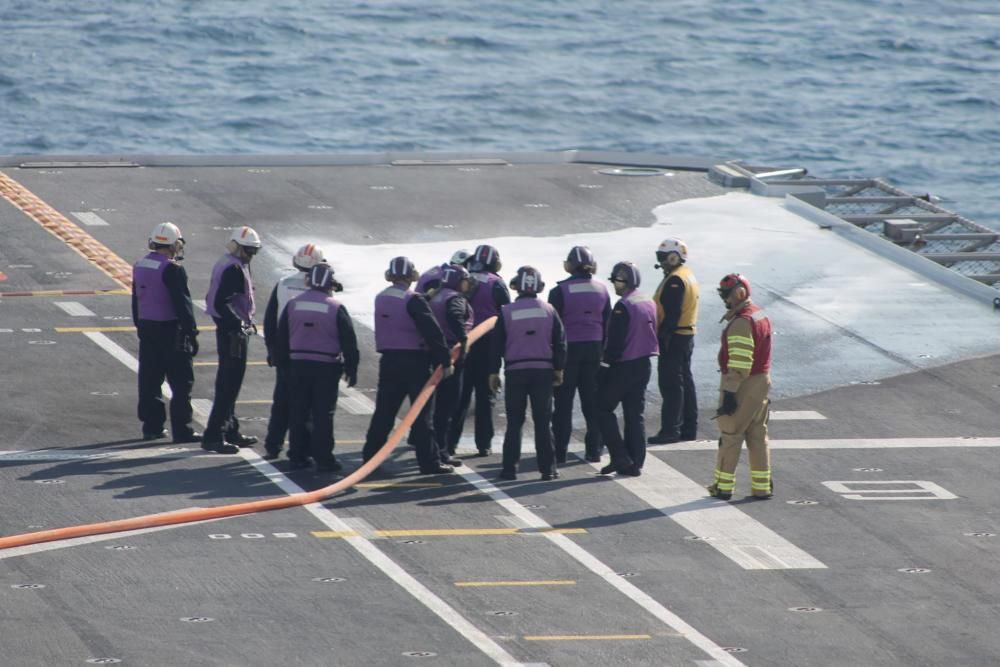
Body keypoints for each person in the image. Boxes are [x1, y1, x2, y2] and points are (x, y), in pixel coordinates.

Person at [362, 257, 456, 475]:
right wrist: (445, 360)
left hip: (389, 362)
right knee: (422, 416)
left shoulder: (381, 297)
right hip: (416, 362)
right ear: (412, 275)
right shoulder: (414, 300)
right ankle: (429, 462)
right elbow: (433, 332)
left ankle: (370, 458)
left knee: (384, 413)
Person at [275, 263, 359, 473]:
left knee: (298, 411)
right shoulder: (336, 307)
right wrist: (352, 369)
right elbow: (349, 342)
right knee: (323, 414)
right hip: (326, 367)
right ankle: (324, 459)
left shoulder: (293, 304)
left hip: (297, 365)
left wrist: (283, 365)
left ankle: (297, 456)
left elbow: (281, 338)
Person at [489, 266, 566, 481]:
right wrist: (559, 368)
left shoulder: (506, 311)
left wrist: (493, 372)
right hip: (543, 372)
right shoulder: (550, 310)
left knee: (515, 422)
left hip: (515, 371)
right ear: (539, 287)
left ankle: (509, 469)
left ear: (516, 286)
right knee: (543, 422)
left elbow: (496, 345)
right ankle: (548, 470)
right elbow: (560, 342)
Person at [131, 222, 201, 443]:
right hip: (171, 330)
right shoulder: (173, 269)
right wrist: (192, 333)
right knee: (181, 382)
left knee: (150, 379)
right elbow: (183, 304)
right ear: (175, 244)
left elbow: (136, 300)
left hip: (147, 327)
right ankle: (183, 429)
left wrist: (140, 326)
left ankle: (151, 426)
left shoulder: (140, 265)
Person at [706, 274, 773, 500]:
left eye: (726, 294)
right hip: (762, 382)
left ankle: (723, 486)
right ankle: (761, 486)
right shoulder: (759, 313)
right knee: (757, 434)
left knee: (731, 434)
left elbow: (740, 365)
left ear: (739, 293)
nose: (725, 299)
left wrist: (730, 393)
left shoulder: (741, 323)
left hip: (744, 384)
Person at [262, 243, 327, 460]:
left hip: (285, 349)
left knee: (282, 399)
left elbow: (270, 319)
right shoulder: (319, 288)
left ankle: (273, 444)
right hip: (311, 352)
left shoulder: (283, 284)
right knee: (307, 404)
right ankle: (303, 450)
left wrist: (272, 349)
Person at [201, 225, 262, 454]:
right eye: (248, 250)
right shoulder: (234, 268)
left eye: (253, 251)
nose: (251, 255)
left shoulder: (229, 263)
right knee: (228, 384)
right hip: (232, 333)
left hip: (230, 329)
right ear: (237, 247)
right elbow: (220, 302)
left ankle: (230, 429)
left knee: (230, 384)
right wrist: (238, 323)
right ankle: (214, 435)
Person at [548, 245, 611, 463]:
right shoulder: (602, 290)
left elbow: (553, 329)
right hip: (594, 350)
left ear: (570, 266)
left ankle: (559, 453)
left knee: (563, 405)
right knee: (592, 403)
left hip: (568, 352)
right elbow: (608, 325)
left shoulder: (559, 291)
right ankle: (594, 450)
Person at [596, 261, 658, 476]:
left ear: (626, 281)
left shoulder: (623, 305)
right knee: (634, 414)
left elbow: (615, 341)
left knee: (602, 409)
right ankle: (635, 462)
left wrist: (604, 367)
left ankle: (619, 456)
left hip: (623, 367)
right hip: (643, 364)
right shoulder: (648, 300)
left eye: (617, 280)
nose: (614, 284)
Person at [450, 244, 511, 456]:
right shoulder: (497, 283)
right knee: (486, 396)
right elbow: (506, 316)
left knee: (460, 396)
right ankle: (484, 444)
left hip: (462, 344)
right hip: (488, 346)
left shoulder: (464, 278)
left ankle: (449, 444)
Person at [648, 238, 700, 444]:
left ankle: (671, 429)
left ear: (673, 257)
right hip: (685, 336)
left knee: (671, 385)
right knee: (685, 382)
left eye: (663, 257)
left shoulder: (675, 280)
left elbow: (671, 313)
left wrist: (662, 339)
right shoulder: (686, 275)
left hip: (675, 337)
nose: (661, 262)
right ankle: (689, 428)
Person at [428, 263, 473, 466]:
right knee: (447, 407)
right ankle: (442, 453)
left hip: (433, 352)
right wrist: (464, 340)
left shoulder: (435, 295)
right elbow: (455, 318)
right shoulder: (454, 298)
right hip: (451, 354)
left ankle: (435, 451)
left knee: (435, 407)